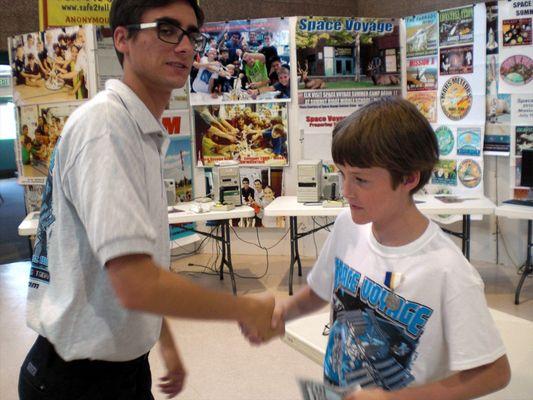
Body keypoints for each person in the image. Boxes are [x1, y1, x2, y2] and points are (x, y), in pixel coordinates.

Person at [18, 1, 279, 399]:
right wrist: (244, 309)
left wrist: (164, 344)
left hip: (119, 368)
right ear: (122, 38)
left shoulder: (137, 128)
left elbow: (139, 266)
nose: (185, 47)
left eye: (191, 34)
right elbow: (136, 285)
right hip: (77, 380)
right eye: (167, 29)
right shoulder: (106, 128)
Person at [242, 97, 511, 399]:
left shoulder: (449, 271)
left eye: (360, 179)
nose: (345, 191)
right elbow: (322, 290)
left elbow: (495, 373)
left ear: (409, 178)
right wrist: (282, 315)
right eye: (342, 174)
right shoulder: (348, 225)